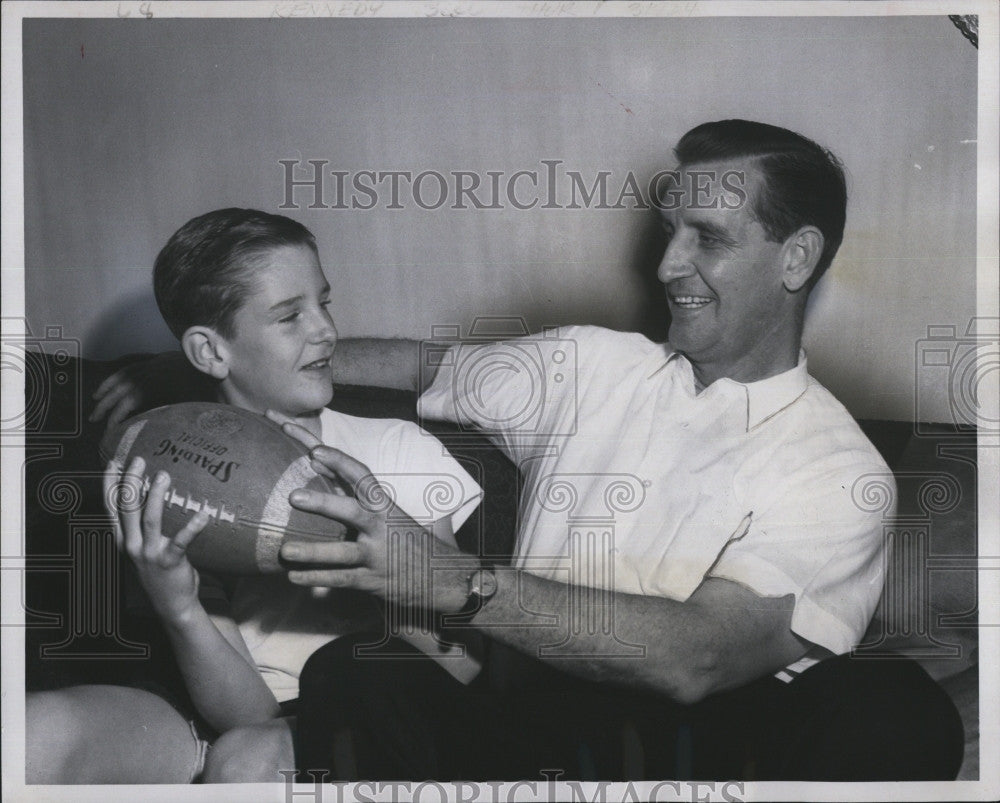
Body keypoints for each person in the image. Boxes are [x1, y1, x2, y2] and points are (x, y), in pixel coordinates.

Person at [91, 120, 965, 781]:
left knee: (898, 711)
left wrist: (450, 580)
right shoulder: (593, 364)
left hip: (701, 745)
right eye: (671, 233)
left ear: (796, 257)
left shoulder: (839, 467)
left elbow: (701, 655)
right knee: (353, 674)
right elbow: (428, 366)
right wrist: (215, 358)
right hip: (525, 721)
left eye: (709, 237)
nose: (668, 265)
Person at [26, 209, 482, 784]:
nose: (325, 330)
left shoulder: (396, 448)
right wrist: (179, 606)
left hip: (366, 710)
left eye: (325, 302)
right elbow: (247, 713)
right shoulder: (175, 475)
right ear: (211, 353)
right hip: (237, 712)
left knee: (246, 763)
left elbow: (458, 658)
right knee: (33, 733)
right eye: (290, 315)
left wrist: (384, 565)